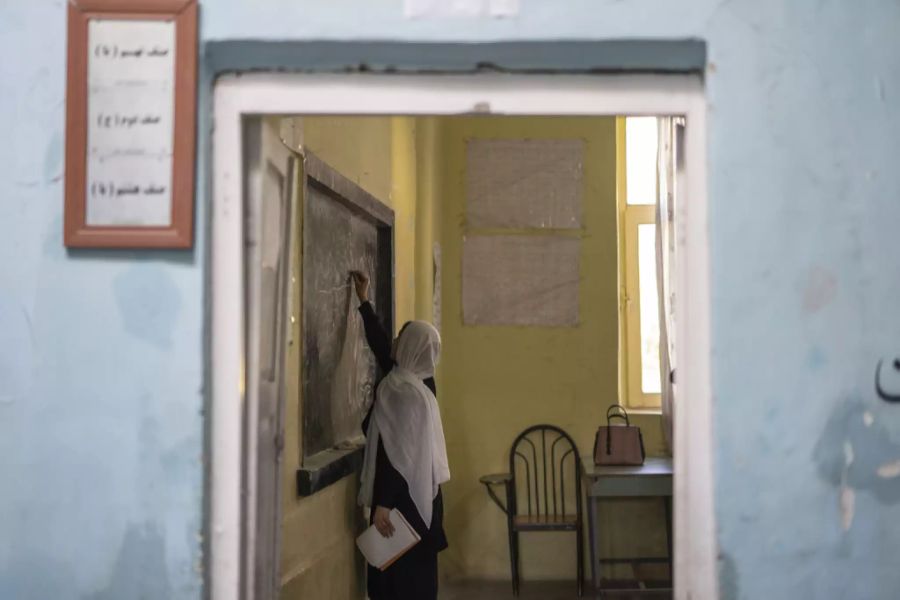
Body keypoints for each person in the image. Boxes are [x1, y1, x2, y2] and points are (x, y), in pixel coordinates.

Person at [351, 271, 450, 600]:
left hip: (399, 506)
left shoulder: (402, 392)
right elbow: (382, 346)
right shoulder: (416, 383)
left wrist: (383, 503)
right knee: (415, 582)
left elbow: (399, 455)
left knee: (395, 583)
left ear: (408, 347)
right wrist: (364, 302)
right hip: (422, 501)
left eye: (400, 338)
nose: (393, 342)